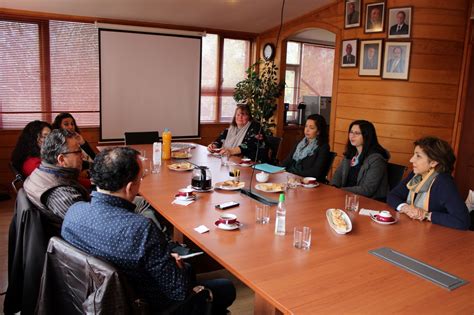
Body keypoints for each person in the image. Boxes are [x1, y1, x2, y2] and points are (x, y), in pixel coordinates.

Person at [61, 147, 236, 313]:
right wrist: (179, 266)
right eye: (140, 179)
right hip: (145, 305)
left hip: (93, 300)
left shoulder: (73, 212)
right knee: (226, 287)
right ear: (130, 188)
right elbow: (179, 291)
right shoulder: (141, 229)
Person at [387, 137, 470, 230]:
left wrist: (426, 215)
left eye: (418, 156)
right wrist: (406, 208)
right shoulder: (416, 174)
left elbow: (462, 221)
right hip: (413, 229)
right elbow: (392, 195)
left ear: (433, 162)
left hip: (436, 235)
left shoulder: (444, 183)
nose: (411, 160)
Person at [23, 129, 90, 227]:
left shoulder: (41, 171)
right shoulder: (61, 193)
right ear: (61, 159)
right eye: (78, 152)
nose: (83, 156)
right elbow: (89, 226)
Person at [331, 120, 390, 200]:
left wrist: (340, 190)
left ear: (367, 136)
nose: (352, 136)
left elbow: (367, 189)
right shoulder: (351, 153)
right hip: (347, 196)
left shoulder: (377, 159)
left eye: (357, 133)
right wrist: (334, 187)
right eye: (351, 132)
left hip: (369, 201)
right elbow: (338, 174)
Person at [281, 114, 332, 180]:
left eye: (311, 128)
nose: (307, 130)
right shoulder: (300, 143)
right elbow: (288, 160)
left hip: (306, 181)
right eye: (306, 126)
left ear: (318, 132)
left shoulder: (323, 147)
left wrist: (293, 173)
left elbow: (315, 172)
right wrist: (278, 170)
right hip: (291, 177)